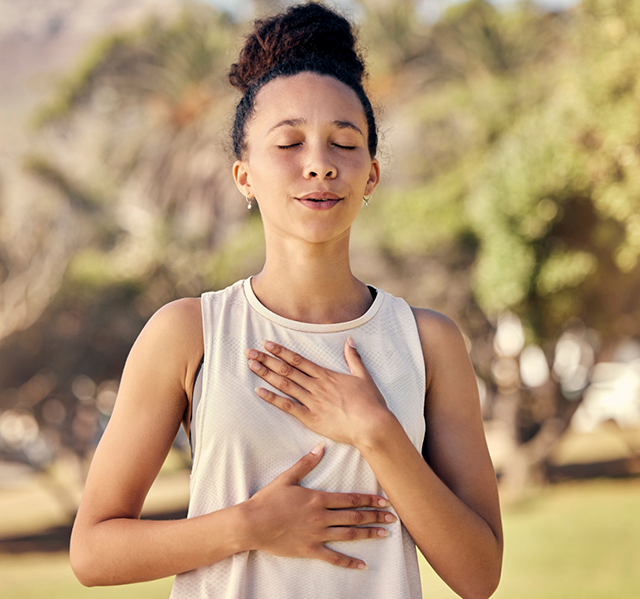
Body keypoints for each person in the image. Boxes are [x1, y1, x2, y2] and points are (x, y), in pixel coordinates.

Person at [70, 3, 503, 598]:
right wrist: (248, 526)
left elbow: (479, 576)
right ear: (243, 175)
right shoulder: (190, 332)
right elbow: (93, 552)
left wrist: (376, 431)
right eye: (290, 143)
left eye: (344, 144)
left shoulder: (428, 342)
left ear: (371, 175)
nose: (320, 165)